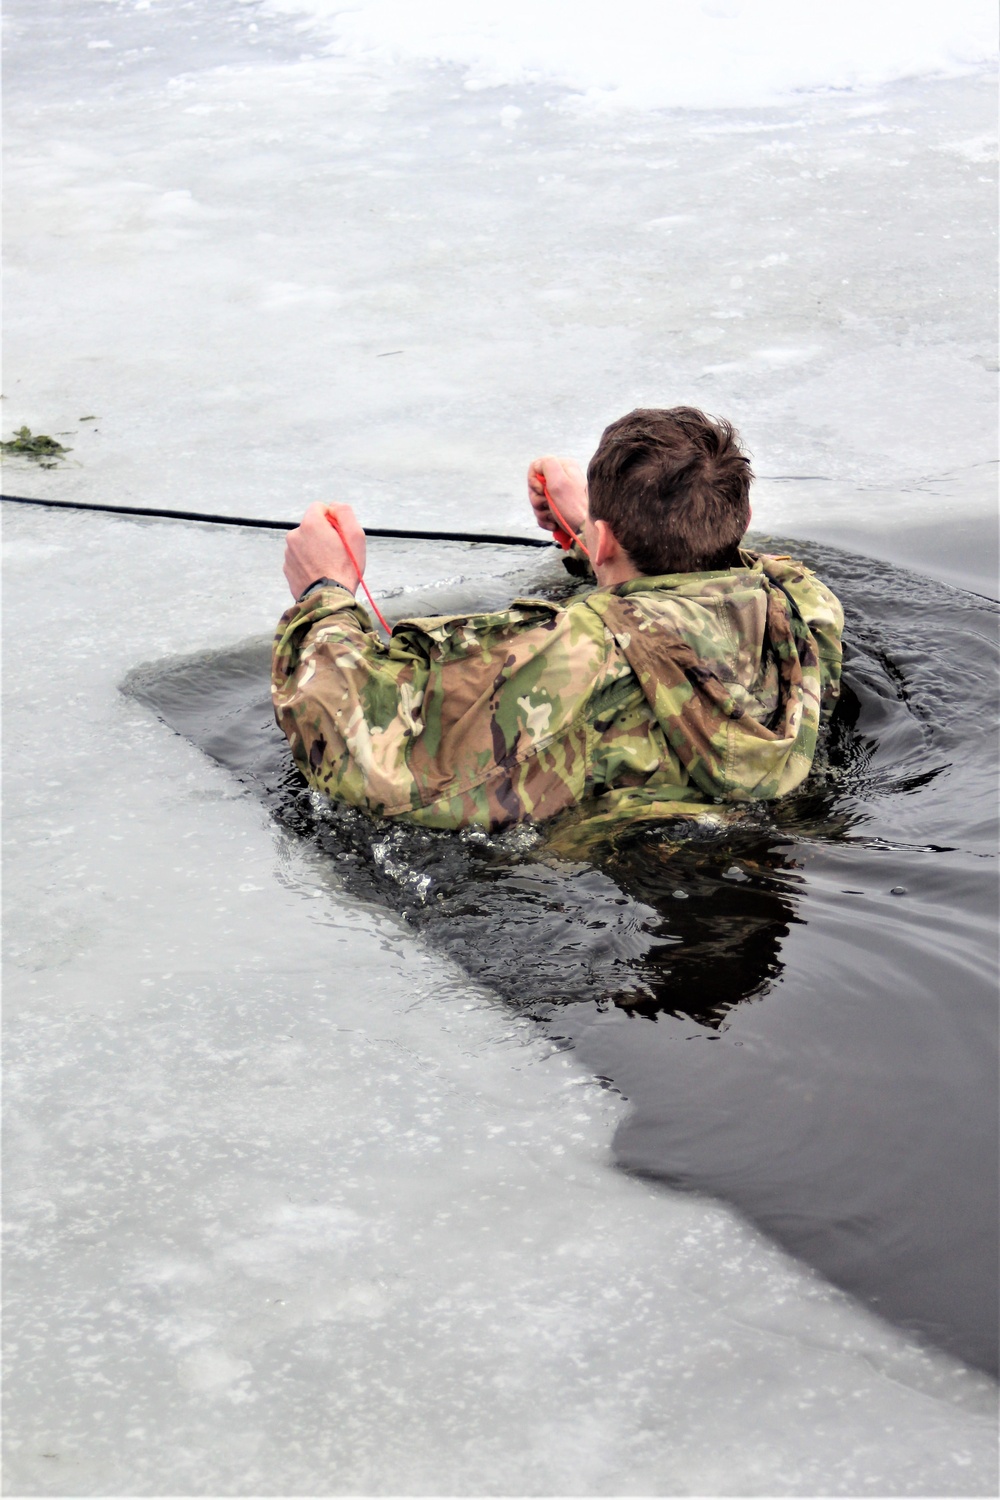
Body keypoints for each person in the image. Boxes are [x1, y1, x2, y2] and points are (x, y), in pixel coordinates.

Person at [271, 407, 843, 836]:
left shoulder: (574, 652)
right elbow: (711, 568)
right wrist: (592, 533)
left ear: (606, 540)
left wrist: (324, 594)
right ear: (743, 515)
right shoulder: (803, 607)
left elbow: (369, 768)